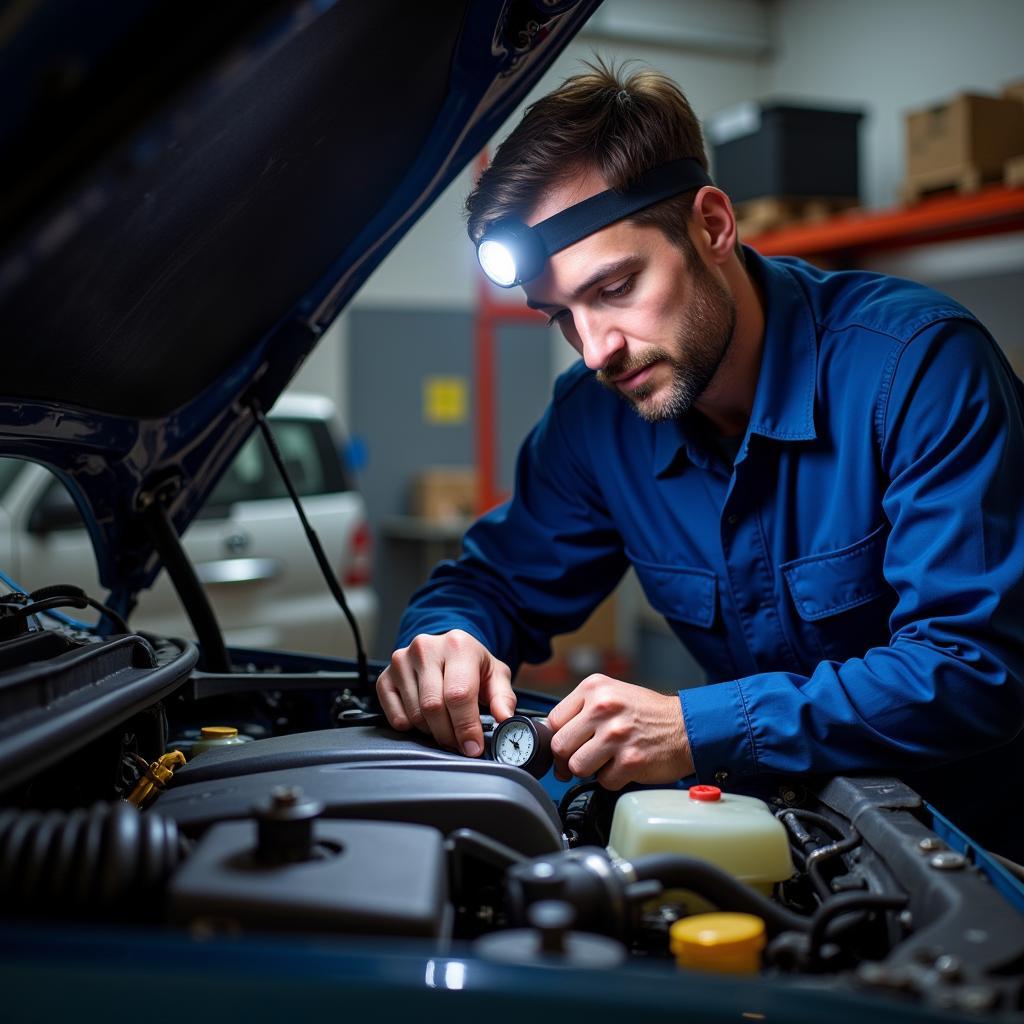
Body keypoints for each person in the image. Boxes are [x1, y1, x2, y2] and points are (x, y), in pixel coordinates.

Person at [376, 61, 1024, 858]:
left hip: (983, 855)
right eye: (561, 317)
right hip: (796, 841)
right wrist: (447, 642)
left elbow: (972, 668)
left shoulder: (915, 368)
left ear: (713, 226)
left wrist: (695, 725)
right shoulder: (595, 421)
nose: (597, 349)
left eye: (615, 287)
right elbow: (490, 584)